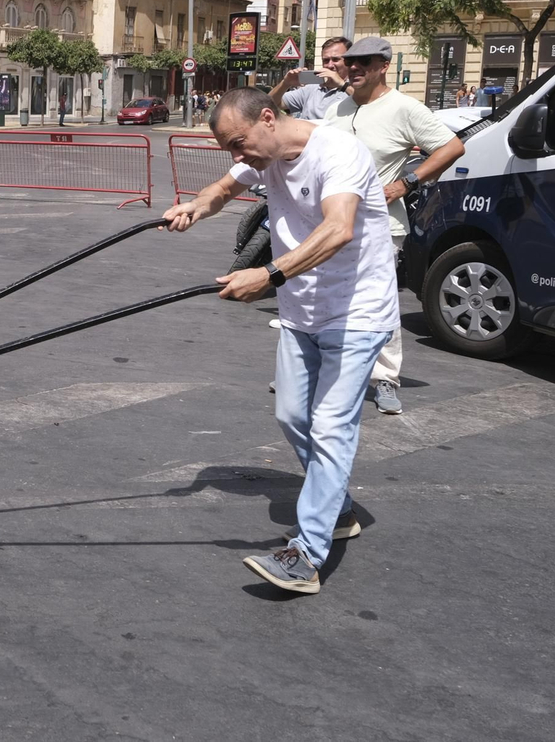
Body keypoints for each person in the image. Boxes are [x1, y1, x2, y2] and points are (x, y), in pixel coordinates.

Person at [163, 87, 399, 595]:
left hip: (356, 313)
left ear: (268, 119)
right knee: (292, 416)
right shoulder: (262, 154)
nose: (237, 155)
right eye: (229, 147)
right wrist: (195, 207)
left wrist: (267, 274)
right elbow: (225, 188)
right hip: (302, 313)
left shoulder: (337, 152)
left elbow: (338, 229)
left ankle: (306, 557)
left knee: (332, 427)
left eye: (239, 142)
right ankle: (336, 510)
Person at [324, 36, 465, 416]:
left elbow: (451, 147)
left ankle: (384, 378)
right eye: (349, 61)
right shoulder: (336, 109)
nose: (353, 68)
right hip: (330, 224)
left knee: (377, 304)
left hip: (380, 227)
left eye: (363, 62)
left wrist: (407, 182)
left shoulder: (404, 108)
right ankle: (317, 371)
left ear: (383, 65)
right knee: (327, 300)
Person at [267, 36, 351, 121]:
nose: (330, 65)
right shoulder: (312, 88)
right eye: (326, 60)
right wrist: (285, 83)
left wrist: (343, 85)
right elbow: (269, 103)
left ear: (348, 61)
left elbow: (364, 103)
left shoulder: (355, 88)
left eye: (335, 59)